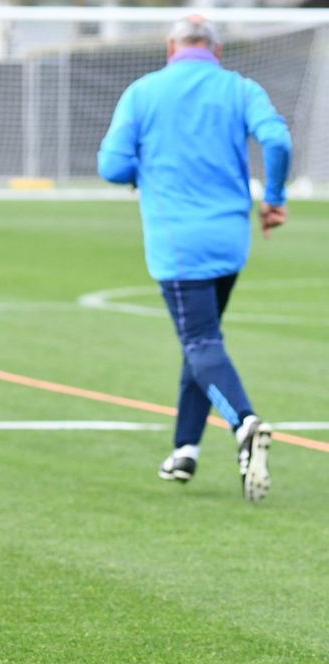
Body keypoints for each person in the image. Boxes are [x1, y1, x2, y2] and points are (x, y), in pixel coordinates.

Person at [97, 14, 291, 503]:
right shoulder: (240, 88)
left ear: (170, 47)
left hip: (177, 240)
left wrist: (145, 169)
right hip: (230, 238)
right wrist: (274, 195)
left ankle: (244, 422)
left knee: (200, 339)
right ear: (216, 51)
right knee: (202, 339)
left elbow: (112, 166)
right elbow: (278, 139)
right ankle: (185, 448)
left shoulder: (143, 92)